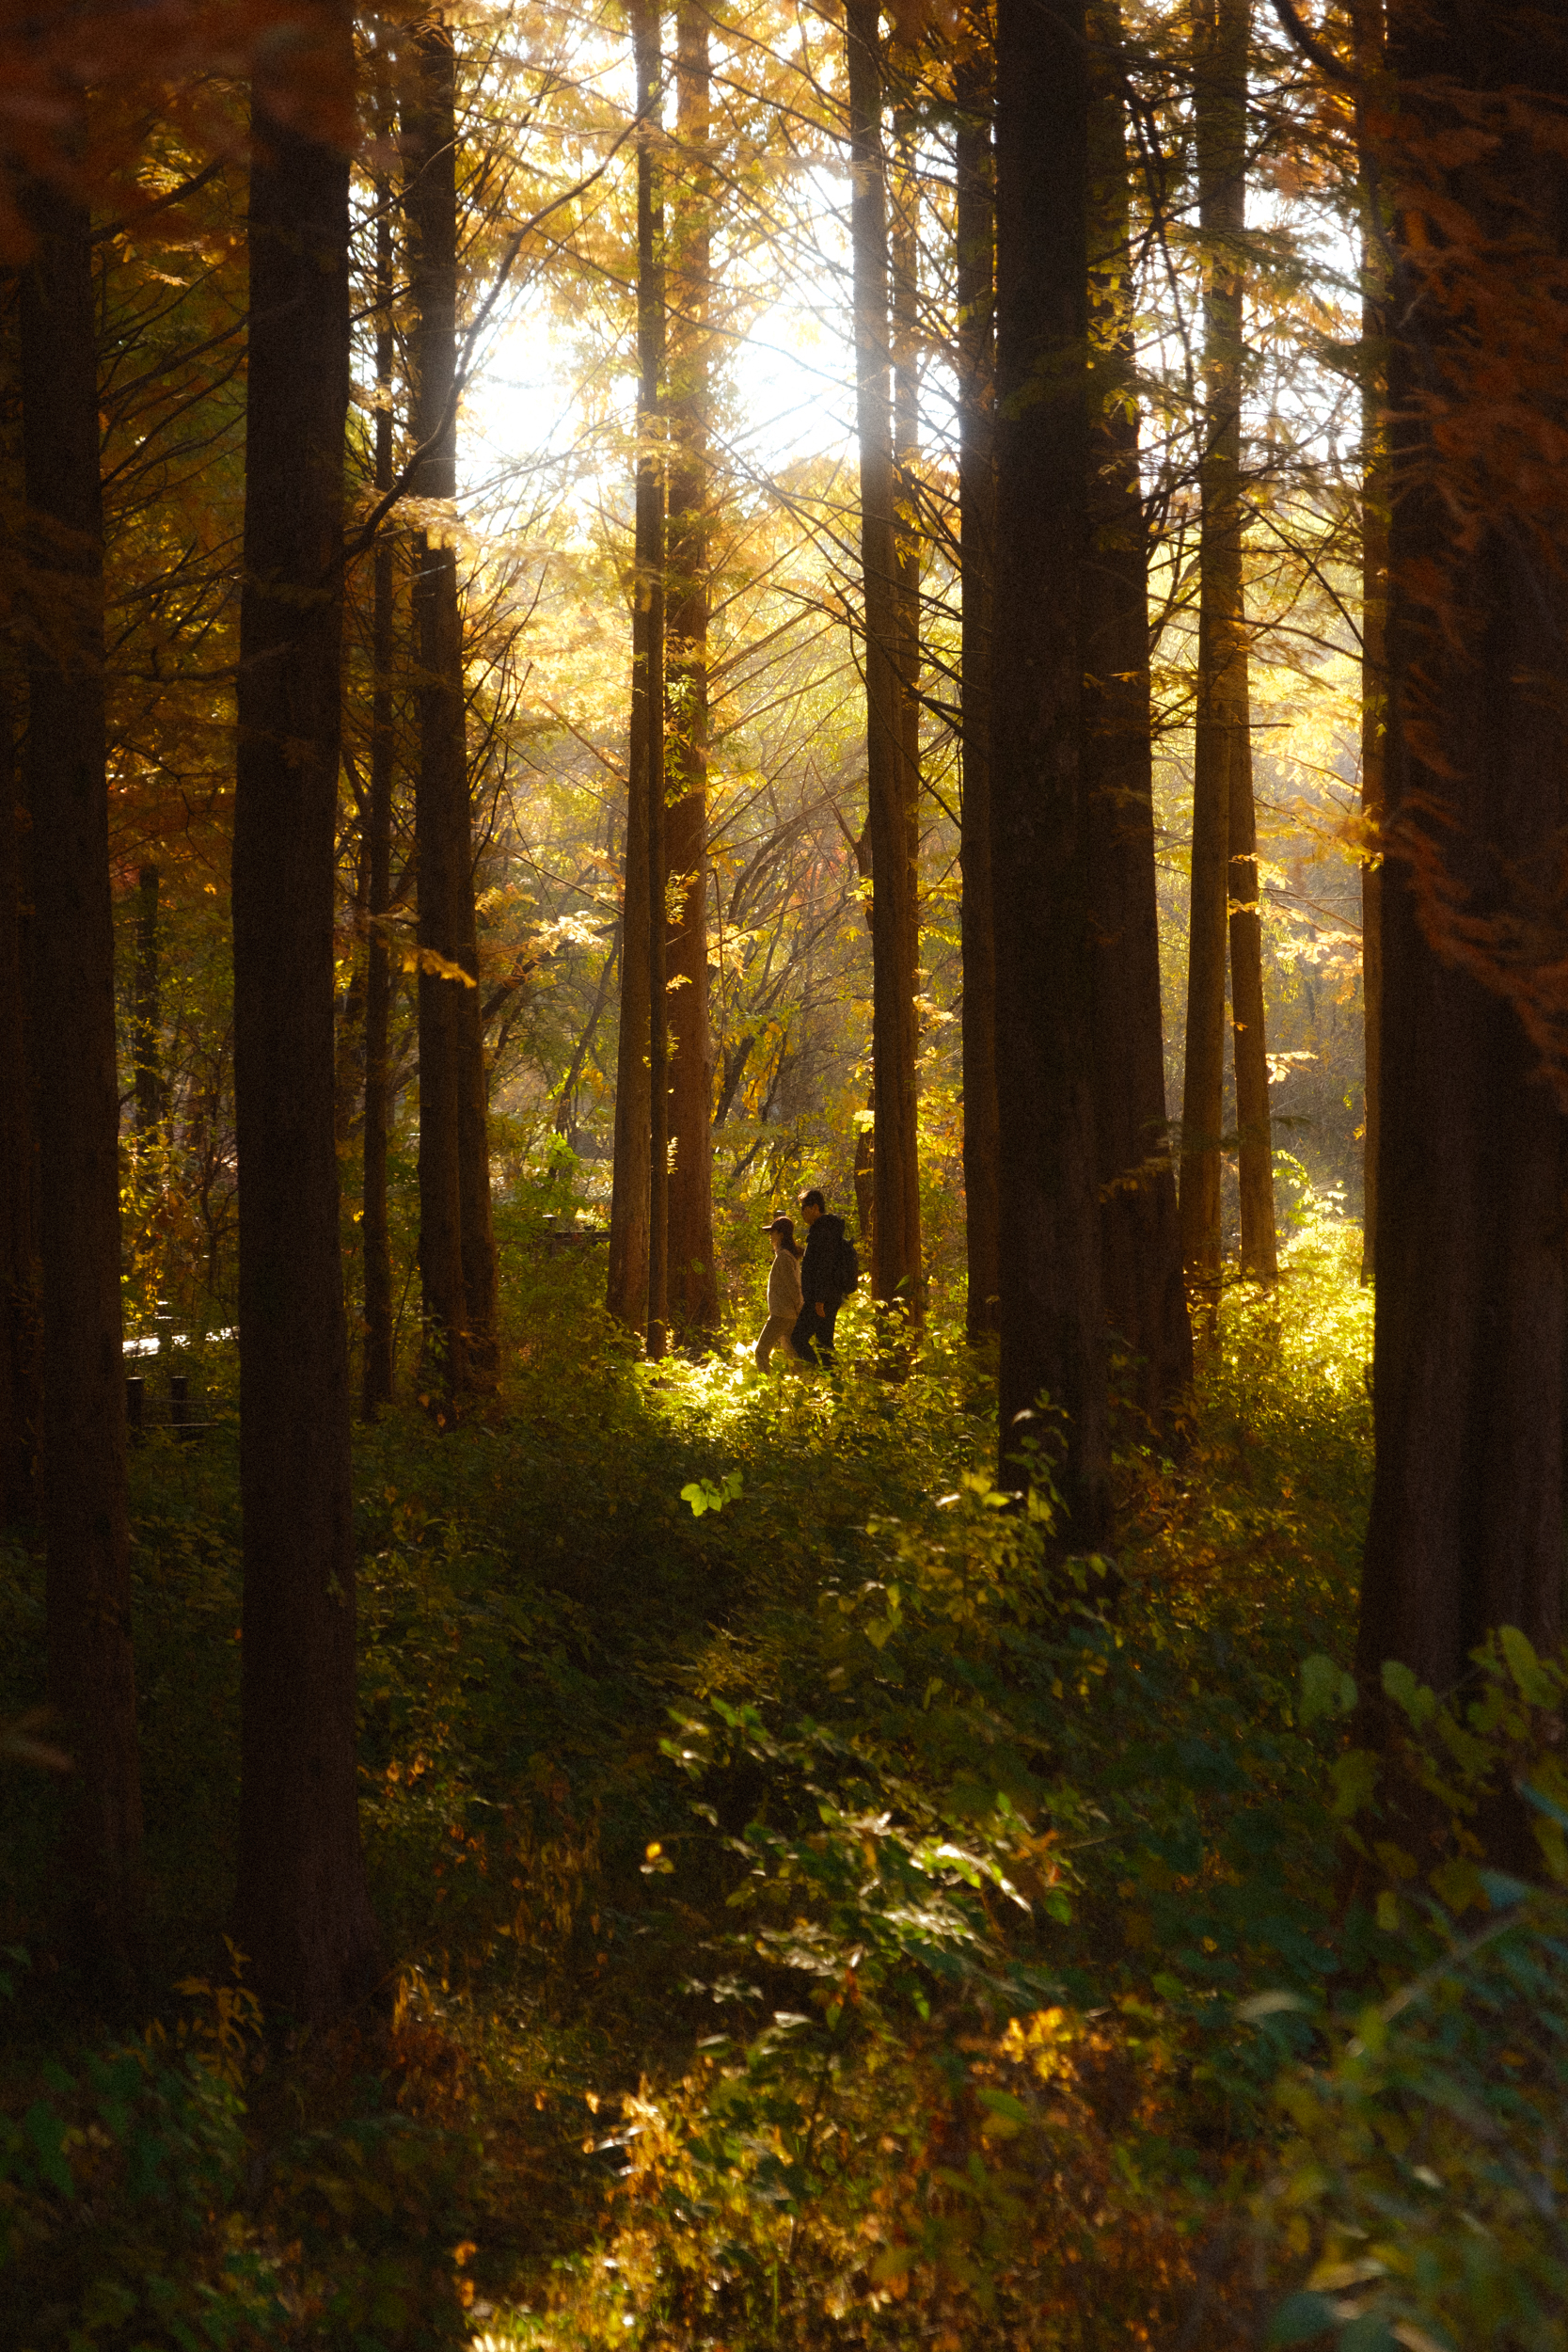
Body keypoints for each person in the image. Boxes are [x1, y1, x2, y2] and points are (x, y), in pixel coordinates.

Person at [791, 1188, 848, 1366]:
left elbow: (825, 1266)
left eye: (804, 1208)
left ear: (815, 1207)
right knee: (824, 1342)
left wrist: (819, 1300)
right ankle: (831, 1383)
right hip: (826, 1297)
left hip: (821, 1299)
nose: (802, 1212)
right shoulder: (823, 1230)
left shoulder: (823, 1232)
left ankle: (819, 1376)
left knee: (798, 1338)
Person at [755, 1215, 804, 1370]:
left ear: (781, 1235)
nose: (770, 1236)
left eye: (773, 1232)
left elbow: (794, 1287)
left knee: (761, 1351)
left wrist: (800, 1309)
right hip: (790, 1315)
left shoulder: (783, 1257)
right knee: (793, 1356)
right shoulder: (789, 1256)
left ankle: (766, 1391)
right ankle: (802, 1387)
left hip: (782, 1315)